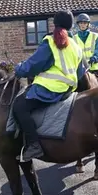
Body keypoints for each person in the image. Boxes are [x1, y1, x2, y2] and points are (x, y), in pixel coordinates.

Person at [12, 10, 84, 162]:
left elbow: (33, 65)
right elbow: (81, 72)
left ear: (54, 24)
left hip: (49, 89)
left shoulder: (51, 41)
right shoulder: (76, 46)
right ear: (71, 26)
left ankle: (33, 145)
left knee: (19, 106)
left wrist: (18, 69)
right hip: (68, 90)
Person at [73, 13, 98, 84]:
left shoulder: (95, 36)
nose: (83, 25)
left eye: (85, 23)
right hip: (80, 70)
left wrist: (95, 58)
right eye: (81, 23)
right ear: (78, 24)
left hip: (95, 68)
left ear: (88, 24)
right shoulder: (74, 38)